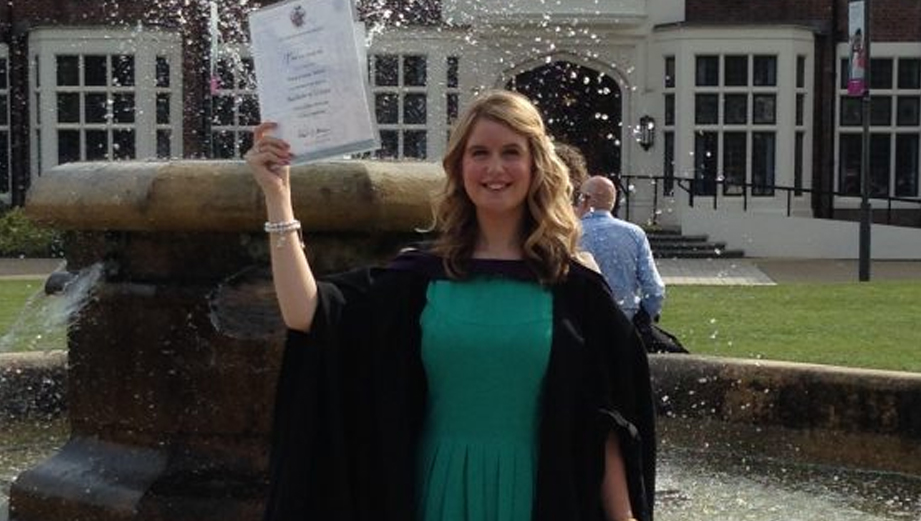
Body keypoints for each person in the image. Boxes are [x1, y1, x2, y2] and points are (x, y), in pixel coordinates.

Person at [245, 90, 656, 521]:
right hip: (436, 492)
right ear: (460, 166)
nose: (494, 168)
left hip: (540, 494)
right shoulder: (419, 279)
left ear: (536, 166)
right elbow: (304, 313)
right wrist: (278, 194)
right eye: (479, 153)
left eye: (511, 152)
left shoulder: (573, 287)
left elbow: (605, 417)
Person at [576, 176, 681, 354]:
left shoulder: (569, 233)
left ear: (584, 200)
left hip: (582, 327)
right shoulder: (634, 233)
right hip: (625, 325)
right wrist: (643, 319)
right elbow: (654, 289)